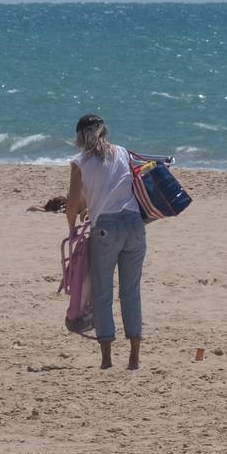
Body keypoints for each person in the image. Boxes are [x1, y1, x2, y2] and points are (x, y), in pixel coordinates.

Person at [66, 113, 146, 370]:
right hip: (134, 224)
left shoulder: (79, 162)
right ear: (104, 132)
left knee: (102, 294)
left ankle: (107, 359)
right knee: (130, 292)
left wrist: (72, 228)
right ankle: (134, 357)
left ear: (79, 137)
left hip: (105, 230)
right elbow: (118, 187)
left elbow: (71, 205)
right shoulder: (122, 152)